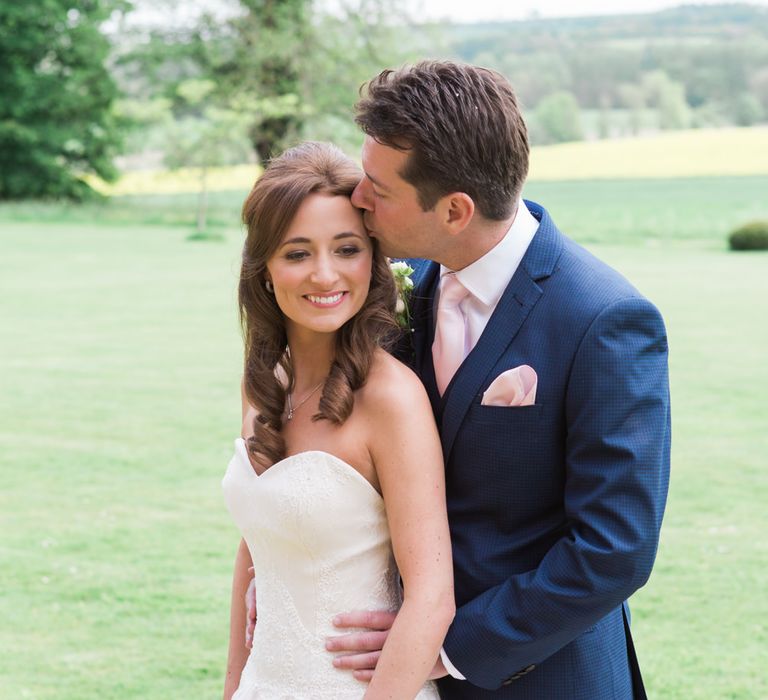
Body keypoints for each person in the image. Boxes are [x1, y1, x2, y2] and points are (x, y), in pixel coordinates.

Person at [323, 61, 671, 698]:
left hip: (544, 679)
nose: (357, 199)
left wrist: (444, 646)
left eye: (379, 188)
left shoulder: (605, 320)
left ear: (454, 210)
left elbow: (613, 549)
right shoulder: (405, 288)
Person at [222, 141, 454, 700]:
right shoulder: (265, 385)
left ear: (373, 258)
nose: (325, 275)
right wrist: (232, 687)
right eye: (297, 253)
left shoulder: (391, 399)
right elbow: (255, 545)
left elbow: (431, 597)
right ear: (264, 268)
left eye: (346, 248)